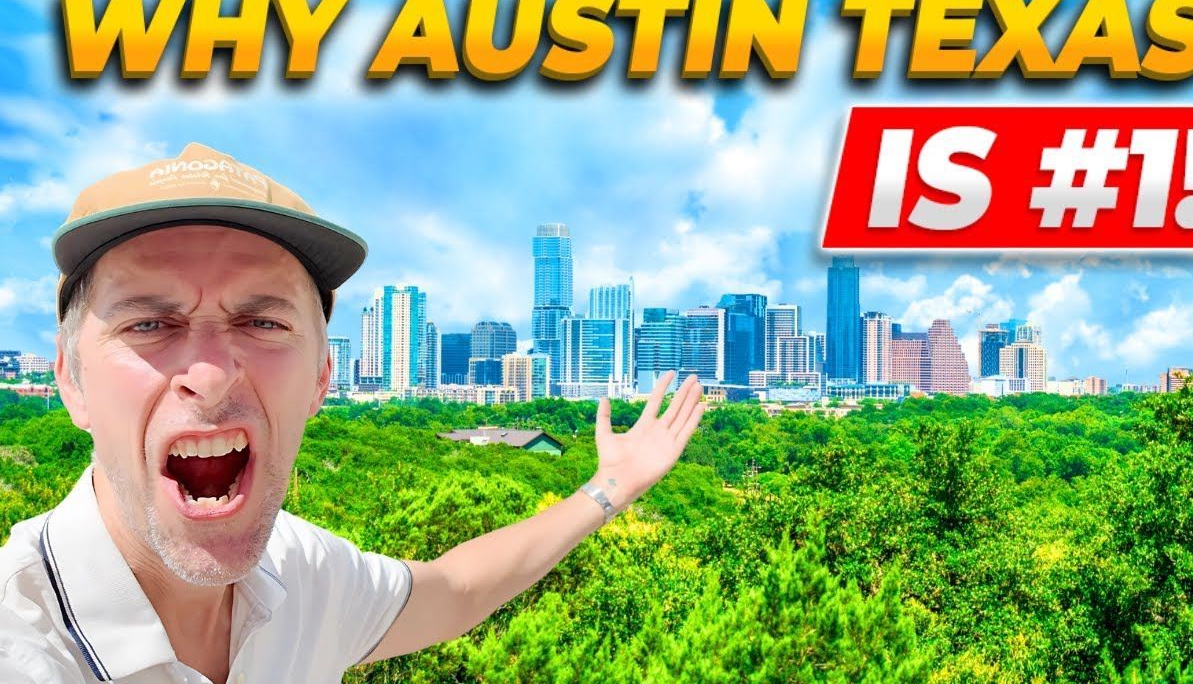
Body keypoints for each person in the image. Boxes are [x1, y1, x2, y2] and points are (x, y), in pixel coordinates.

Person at [0, 143, 705, 683]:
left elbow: (456, 588)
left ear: (322, 378)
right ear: (71, 381)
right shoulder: (21, 642)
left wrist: (612, 485)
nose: (210, 378)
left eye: (262, 322)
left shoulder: (301, 575)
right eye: (149, 325)